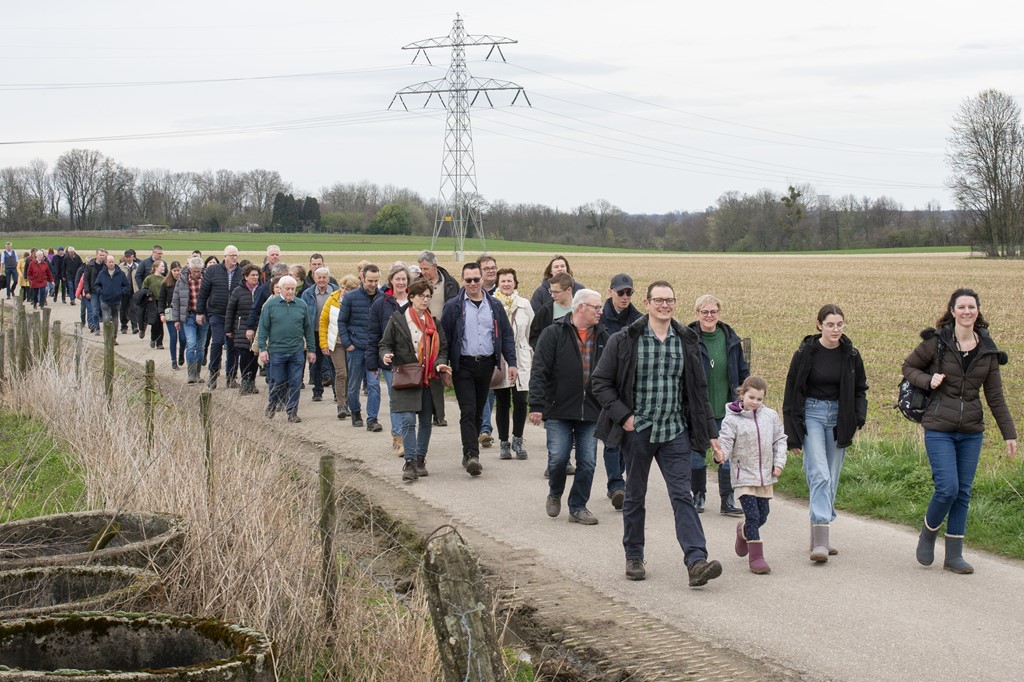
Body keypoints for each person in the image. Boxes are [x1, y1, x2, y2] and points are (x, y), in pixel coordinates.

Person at [591, 280, 723, 587]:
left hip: (675, 429)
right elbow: (601, 383)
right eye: (659, 300)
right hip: (639, 431)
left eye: (670, 301)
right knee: (635, 495)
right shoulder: (625, 339)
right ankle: (634, 556)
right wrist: (624, 417)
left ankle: (696, 561)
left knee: (682, 495)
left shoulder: (687, 340)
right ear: (648, 304)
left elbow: (699, 391)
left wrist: (711, 432)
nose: (665, 306)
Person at [902, 288, 1017, 574]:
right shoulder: (936, 342)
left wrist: (1009, 433)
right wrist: (929, 380)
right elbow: (908, 367)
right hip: (939, 425)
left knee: (963, 492)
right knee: (948, 488)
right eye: (961, 307)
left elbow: (996, 397)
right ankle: (928, 533)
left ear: (978, 311)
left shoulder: (987, 350)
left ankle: (954, 555)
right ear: (952, 311)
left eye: (972, 307)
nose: (967, 311)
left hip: (971, 430)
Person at [783, 304, 868, 563]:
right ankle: (821, 539)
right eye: (830, 324)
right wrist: (793, 434)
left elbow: (860, 389)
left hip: (840, 418)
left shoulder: (851, 355)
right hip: (812, 415)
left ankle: (817, 536)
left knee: (830, 477)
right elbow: (791, 392)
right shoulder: (805, 353)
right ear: (819, 324)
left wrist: (858, 418)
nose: (835, 329)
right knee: (818, 473)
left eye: (840, 324)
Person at [530, 289, 607, 525]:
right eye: (597, 307)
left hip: (592, 410)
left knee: (588, 462)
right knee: (558, 458)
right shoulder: (553, 333)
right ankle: (555, 493)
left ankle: (578, 507)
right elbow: (540, 370)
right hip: (558, 409)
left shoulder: (605, 337)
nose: (600, 312)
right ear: (581, 307)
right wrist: (536, 404)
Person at [440, 262, 517, 477]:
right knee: (468, 409)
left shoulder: (494, 306)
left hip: (486, 365)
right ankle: (472, 455)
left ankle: (468, 451)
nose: (473, 283)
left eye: (476, 279)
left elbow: (507, 336)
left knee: (478, 410)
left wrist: (511, 362)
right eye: (468, 280)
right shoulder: (454, 306)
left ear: (482, 280)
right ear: (463, 281)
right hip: (462, 365)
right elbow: (444, 339)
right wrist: (444, 367)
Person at [379, 279, 451, 482]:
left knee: (426, 421)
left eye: (429, 296)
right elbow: (384, 344)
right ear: (411, 298)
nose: (426, 300)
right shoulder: (397, 320)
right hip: (406, 377)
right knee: (409, 421)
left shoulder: (435, 323)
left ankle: (420, 459)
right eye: (422, 296)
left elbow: (443, 349)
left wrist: (440, 363)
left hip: (429, 379)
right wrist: (386, 355)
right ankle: (409, 462)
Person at [717, 376, 787, 575]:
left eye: (759, 399)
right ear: (742, 394)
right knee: (753, 516)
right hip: (744, 476)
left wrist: (779, 463)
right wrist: (721, 454)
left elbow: (780, 440)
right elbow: (726, 442)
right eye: (751, 397)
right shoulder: (732, 420)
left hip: (765, 475)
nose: (755, 402)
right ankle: (756, 557)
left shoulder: (771, 416)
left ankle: (743, 532)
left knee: (763, 515)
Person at [687, 295, 748, 517]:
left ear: (719, 314)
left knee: (726, 455)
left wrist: (744, 397)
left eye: (713, 312)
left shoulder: (731, 339)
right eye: (705, 312)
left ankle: (727, 499)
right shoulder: (688, 339)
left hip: (726, 408)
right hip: (698, 409)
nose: (709, 316)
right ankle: (698, 495)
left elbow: (742, 372)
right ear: (697, 314)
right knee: (696, 454)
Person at [599, 273, 643, 509]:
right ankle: (615, 484)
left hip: (630, 386)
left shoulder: (639, 320)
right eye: (621, 292)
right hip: (606, 385)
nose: (625, 297)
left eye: (629, 293)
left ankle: (620, 481)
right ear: (611, 291)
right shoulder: (600, 317)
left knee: (627, 437)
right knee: (610, 438)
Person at [257, 276, 317, 423]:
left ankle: (292, 412)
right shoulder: (271, 305)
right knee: (278, 381)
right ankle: (272, 404)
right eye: (287, 289)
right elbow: (263, 328)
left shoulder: (301, 305)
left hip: (296, 351)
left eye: (292, 289)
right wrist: (262, 349)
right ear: (280, 289)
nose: (290, 292)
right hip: (277, 350)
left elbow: (308, 329)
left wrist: (311, 349)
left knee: (296, 381)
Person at [367, 265, 410, 454]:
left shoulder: (415, 300)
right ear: (391, 281)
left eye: (404, 279)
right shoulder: (380, 303)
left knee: (411, 399)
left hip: (411, 360)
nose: (401, 282)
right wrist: (372, 362)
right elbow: (374, 334)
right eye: (398, 279)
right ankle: (399, 438)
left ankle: (408, 436)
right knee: (396, 398)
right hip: (390, 359)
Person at [493, 268, 534, 460]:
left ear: (515, 283)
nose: (506, 284)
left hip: (521, 354)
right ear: (498, 283)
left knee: (520, 401)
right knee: (502, 402)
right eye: (503, 281)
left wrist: (527, 351)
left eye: (510, 281)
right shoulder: (492, 303)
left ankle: (518, 439)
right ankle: (503, 442)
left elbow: (530, 331)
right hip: (500, 357)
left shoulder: (524, 304)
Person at [338, 263, 383, 431]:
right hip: (356, 348)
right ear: (362, 279)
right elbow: (341, 321)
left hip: (374, 349)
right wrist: (347, 343)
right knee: (354, 384)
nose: (372, 284)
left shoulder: (382, 298)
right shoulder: (351, 298)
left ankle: (372, 419)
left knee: (373, 385)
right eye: (370, 280)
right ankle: (356, 412)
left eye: (376, 281)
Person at [197, 246, 243, 389]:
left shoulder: (241, 272)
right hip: (216, 313)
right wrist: (200, 312)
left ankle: (231, 376)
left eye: (236, 255)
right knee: (216, 343)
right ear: (224, 256)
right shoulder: (213, 270)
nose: (234, 258)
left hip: (235, 315)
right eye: (231, 255)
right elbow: (203, 292)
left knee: (233, 346)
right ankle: (213, 374)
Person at [320, 274, 360, 419]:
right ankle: (341, 405)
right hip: (336, 343)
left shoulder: (358, 301)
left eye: (348, 289)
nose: (344, 291)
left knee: (352, 374)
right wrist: (324, 343)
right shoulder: (332, 299)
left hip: (354, 343)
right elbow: (323, 322)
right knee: (341, 373)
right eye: (343, 287)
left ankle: (351, 403)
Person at [300, 266, 339, 403]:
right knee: (316, 363)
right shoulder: (307, 293)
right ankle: (317, 391)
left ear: (328, 278)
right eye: (319, 277)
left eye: (324, 277)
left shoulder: (336, 291)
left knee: (334, 363)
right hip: (314, 332)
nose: (322, 280)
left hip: (332, 332)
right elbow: (304, 313)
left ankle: (337, 392)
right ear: (314, 279)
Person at [225, 264, 263, 395]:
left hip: (258, 328)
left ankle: (251, 382)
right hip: (241, 328)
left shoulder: (262, 290)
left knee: (254, 356)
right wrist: (228, 329)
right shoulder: (238, 291)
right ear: (246, 276)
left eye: (257, 275)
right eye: (252, 275)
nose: (255, 277)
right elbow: (230, 310)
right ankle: (245, 382)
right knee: (245, 356)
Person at [173, 257, 210, 385]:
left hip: (204, 317)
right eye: (194, 271)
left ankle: (197, 374)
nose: (196, 274)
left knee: (201, 347)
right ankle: (191, 374)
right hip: (188, 316)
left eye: (198, 271)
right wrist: (176, 319)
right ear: (189, 269)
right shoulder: (182, 281)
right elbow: (176, 300)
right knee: (191, 344)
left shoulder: (207, 279)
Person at [529, 272, 577, 348]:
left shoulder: (581, 309)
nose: (552, 295)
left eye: (556, 292)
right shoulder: (545, 311)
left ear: (569, 290)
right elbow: (534, 337)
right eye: (551, 291)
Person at [93, 253, 131, 342]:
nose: (111, 264)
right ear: (106, 263)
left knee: (115, 319)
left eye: (113, 262)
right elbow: (97, 285)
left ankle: (113, 337)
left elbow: (126, 286)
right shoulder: (102, 274)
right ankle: (107, 337)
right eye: (109, 262)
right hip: (105, 300)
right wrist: (101, 292)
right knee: (106, 319)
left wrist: (121, 292)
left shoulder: (120, 274)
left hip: (116, 301)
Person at [159, 261, 183, 370]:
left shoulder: (184, 282)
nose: (177, 273)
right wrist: (161, 313)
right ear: (171, 271)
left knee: (183, 338)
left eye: (178, 270)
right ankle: (174, 360)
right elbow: (161, 300)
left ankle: (181, 353)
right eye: (175, 271)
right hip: (170, 313)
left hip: (182, 313)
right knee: (173, 337)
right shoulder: (166, 283)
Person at [140, 260, 166, 349]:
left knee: (160, 322)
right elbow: (144, 289)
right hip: (152, 302)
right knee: (154, 322)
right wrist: (148, 296)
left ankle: (160, 342)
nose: (163, 268)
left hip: (161, 302)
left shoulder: (164, 279)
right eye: (161, 266)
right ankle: (153, 338)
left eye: (163, 266)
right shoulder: (149, 278)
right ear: (156, 267)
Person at [117, 249, 140, 334]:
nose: (127, 259)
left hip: (134, 291)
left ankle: (134, 326)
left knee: (133, 309)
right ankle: (124, 326)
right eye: (126, 257)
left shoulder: (137, 266)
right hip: (124, 291)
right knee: (123, 309)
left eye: (129, 257)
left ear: (133, 257)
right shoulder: (120, 267)